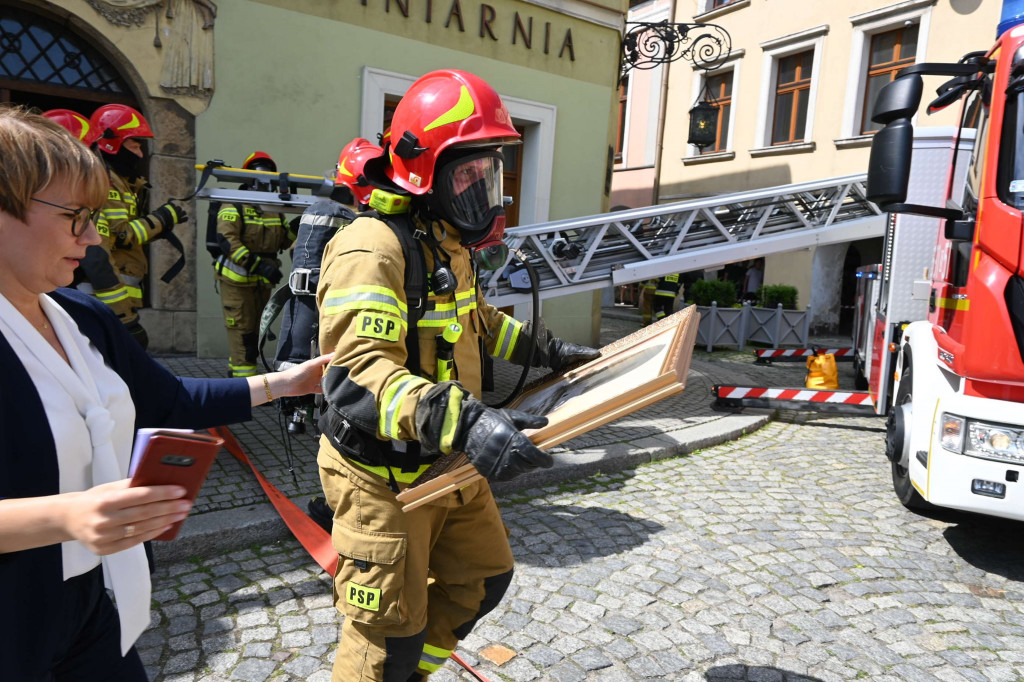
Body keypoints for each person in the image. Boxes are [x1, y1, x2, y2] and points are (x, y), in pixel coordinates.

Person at [0, 106, 329, 680]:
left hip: (100, 601)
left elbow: (170, 399)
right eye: (75, 216)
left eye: (95, 217)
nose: (94, 236)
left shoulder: (81, 315)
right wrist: (63, 516)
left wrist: (286, 383)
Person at [315, 69, 600, 681]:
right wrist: (469, 420)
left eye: (488, 171)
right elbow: (356, 375)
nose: (483, 187)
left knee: (483, 580)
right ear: (425, 172)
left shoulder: (446, 243)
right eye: (468, 172)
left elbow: (478, 321)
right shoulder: (373, 247)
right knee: (387, 639)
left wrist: (549, 352)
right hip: (382, 478)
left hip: (445, 461)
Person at [89, 103, 189, 349]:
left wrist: (158, 225)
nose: (141, 154)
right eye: (134, 145)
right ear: (112, 144)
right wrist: (160, 220)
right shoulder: (106, 181)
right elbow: (119, 235)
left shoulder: (123, 183)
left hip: (118, 300)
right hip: (104, 301)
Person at [213, 151, 294, 377]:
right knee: (243, 333)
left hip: (261, 282)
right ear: (249, 179)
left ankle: (236, 374)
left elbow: (284, 239)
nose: (266, 184)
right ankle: (246, 389)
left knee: (255, 331)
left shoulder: (273, 209)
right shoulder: (234, 204)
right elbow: (227, 241)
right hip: (236, 281)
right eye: (261, 177)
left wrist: (300, 225)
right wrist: (259, 266)